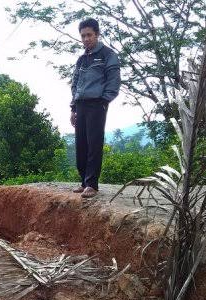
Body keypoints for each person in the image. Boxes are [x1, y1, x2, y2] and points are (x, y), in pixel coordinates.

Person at [70, 18, 121, 198]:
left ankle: (92, 184)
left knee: (94, 144)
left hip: (97, 104)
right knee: (81, 145)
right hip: (81, 105)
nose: (86, 39)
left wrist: (103, 101)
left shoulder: (108, 55)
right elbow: (75, 83)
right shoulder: (82, 59)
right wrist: (73, 108)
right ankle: (84, 180)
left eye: (89, 35)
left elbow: (114, 82)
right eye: (83, 36)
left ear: (97, 34)